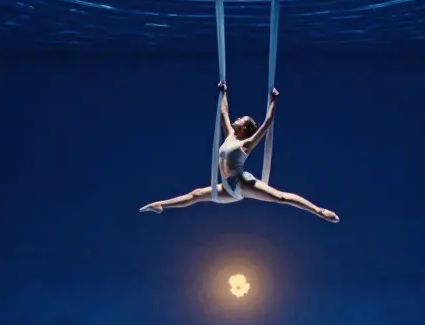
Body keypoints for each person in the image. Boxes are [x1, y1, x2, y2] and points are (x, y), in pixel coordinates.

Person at [139, 83, 340, 223]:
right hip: (227, 187)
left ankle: (318, 211)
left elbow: (268, 123)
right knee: (195, 195)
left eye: (241, 119)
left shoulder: (246, 143)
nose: (237, 118)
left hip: (242, 183)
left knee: (280, 197)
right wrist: (223, 92)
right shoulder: (230, 136)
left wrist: (273, 101)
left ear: (245, 127)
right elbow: (224, 112)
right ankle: (159, 205)